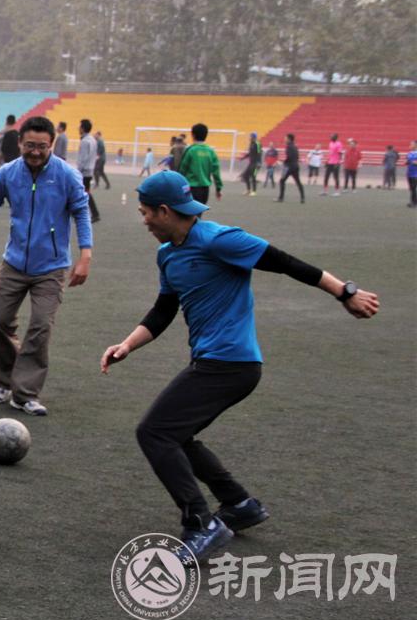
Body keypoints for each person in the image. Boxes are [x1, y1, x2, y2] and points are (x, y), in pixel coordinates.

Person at [100, 170, 379, 559]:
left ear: (164, 211)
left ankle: (201, 524)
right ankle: (239, 504)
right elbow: (164, 310)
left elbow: (284, 262)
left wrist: (345, 293)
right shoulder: (168, 254)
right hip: (214, 362)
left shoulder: (220, 239)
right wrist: (128, 345)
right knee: (176, 434)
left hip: (231, 364)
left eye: (145, 212)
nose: (143, 220)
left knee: (154, 433)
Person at [0, 115, 93, 416]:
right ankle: (6, 380)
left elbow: (82, 214)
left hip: (52, 267)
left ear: (52, 145)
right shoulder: (8, 173)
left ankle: (26, 394)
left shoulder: (67, 175)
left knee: (41, 326)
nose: (35, 152)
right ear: (20, 143)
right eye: (30, 145)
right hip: (14, 263)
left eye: (42, 146)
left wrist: (85, 256)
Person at [177, 123, 223, 205]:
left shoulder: (190, 150)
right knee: (199, 210)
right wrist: (218, 188)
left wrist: (177, 185)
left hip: (190, 187)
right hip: (205, 189)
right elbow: (216, 172)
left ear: (193, 135)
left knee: (187, 210)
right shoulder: (211, 151)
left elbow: (182, 169)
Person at [77, 119, 101, 222]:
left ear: (82, 128)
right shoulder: (92, 140)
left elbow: (83, 158)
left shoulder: (85, 141)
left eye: (79, 126)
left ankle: (94, 214)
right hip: (90, 170)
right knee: (84, 192)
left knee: (84, 192)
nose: (78, 128)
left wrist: (78, 170)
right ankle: (89, 213)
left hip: (84, 171)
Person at [277, 133, 305, 203]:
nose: (284, 139)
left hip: (289, 167)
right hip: (296, 166)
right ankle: (302, 198)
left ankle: (281, 198)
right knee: (298, 182)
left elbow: (289, 157)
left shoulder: (288, 147)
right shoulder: (295, 146)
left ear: (289, 139)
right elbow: (297, 157)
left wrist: (283, 161)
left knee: (282, 181)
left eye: (285, 138)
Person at [407, 140, 417, 208]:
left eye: (412, 144)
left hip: (415, 174)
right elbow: (409, 161)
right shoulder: (409, 153)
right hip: (409, 173)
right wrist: (407, 162)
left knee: (413, 188)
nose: (410, 145)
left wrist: (414, 162)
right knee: (411, 189)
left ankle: (414, 203)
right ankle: (412, 201)